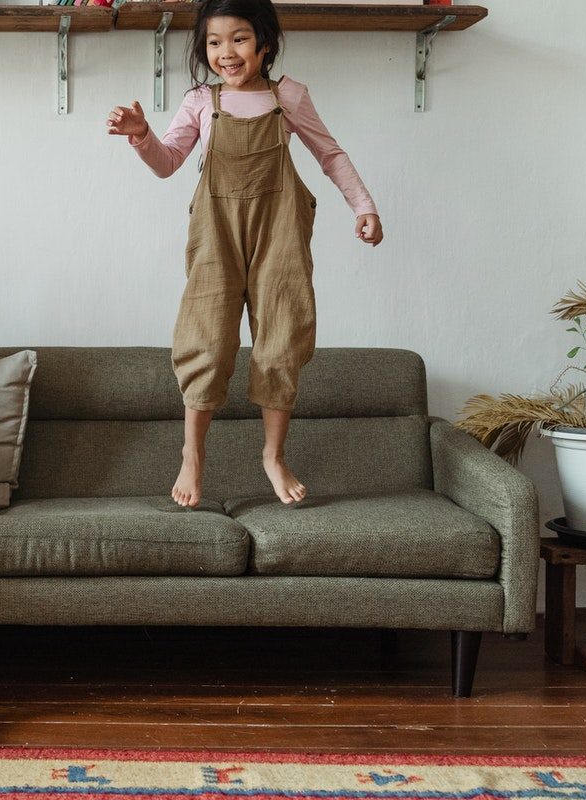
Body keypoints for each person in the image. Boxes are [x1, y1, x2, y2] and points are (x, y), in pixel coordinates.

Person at [106, 0, 383, 509]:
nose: (225, 52)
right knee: (207, 343)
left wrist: (363, 206)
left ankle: (273, 456)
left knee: (280, 342)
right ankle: (193, 455)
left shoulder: (288, 97)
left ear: (264, 44)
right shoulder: (198, 101)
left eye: (238, 38)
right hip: (215, 235)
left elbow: (330, 154)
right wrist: (142, 136)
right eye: (214, 42)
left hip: (280, 233)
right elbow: (168, 164)